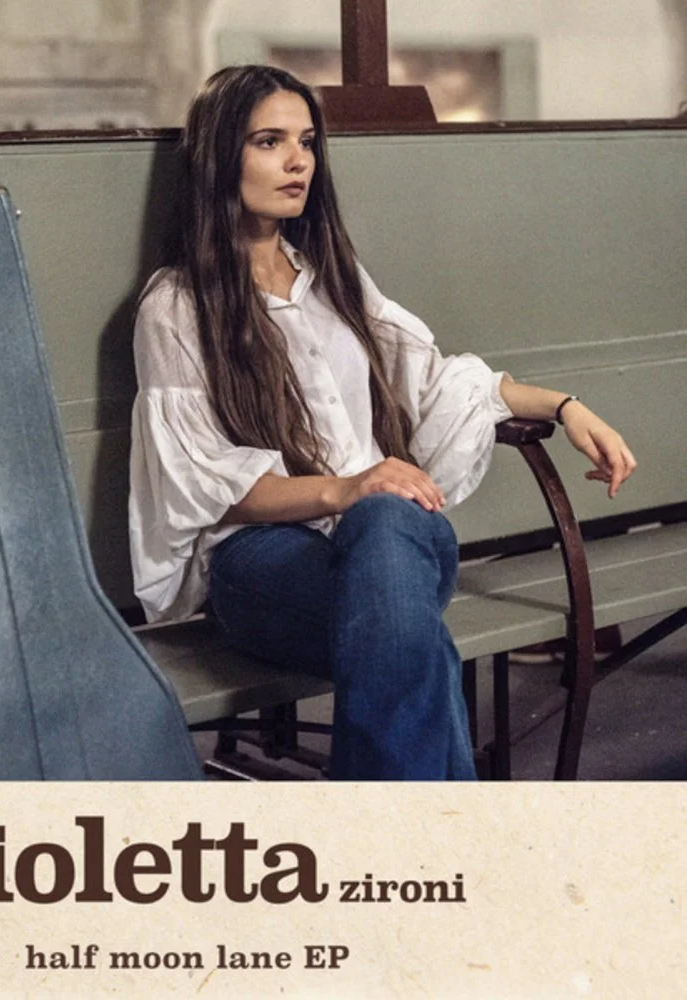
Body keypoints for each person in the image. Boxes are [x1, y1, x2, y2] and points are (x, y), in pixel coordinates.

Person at [127, 65, 636, 780]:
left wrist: (564, 406)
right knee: (409, 628)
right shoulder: (177, 307)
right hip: (260, 564)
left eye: (306, 141)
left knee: (391, 533)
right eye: (269, 141)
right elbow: (208, 486)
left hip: (381, 543)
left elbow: (435, 377)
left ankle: (389, 847)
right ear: (219, 156)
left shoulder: (333, 277)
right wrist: (348, 487)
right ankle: (438, 849)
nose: (298, 159)